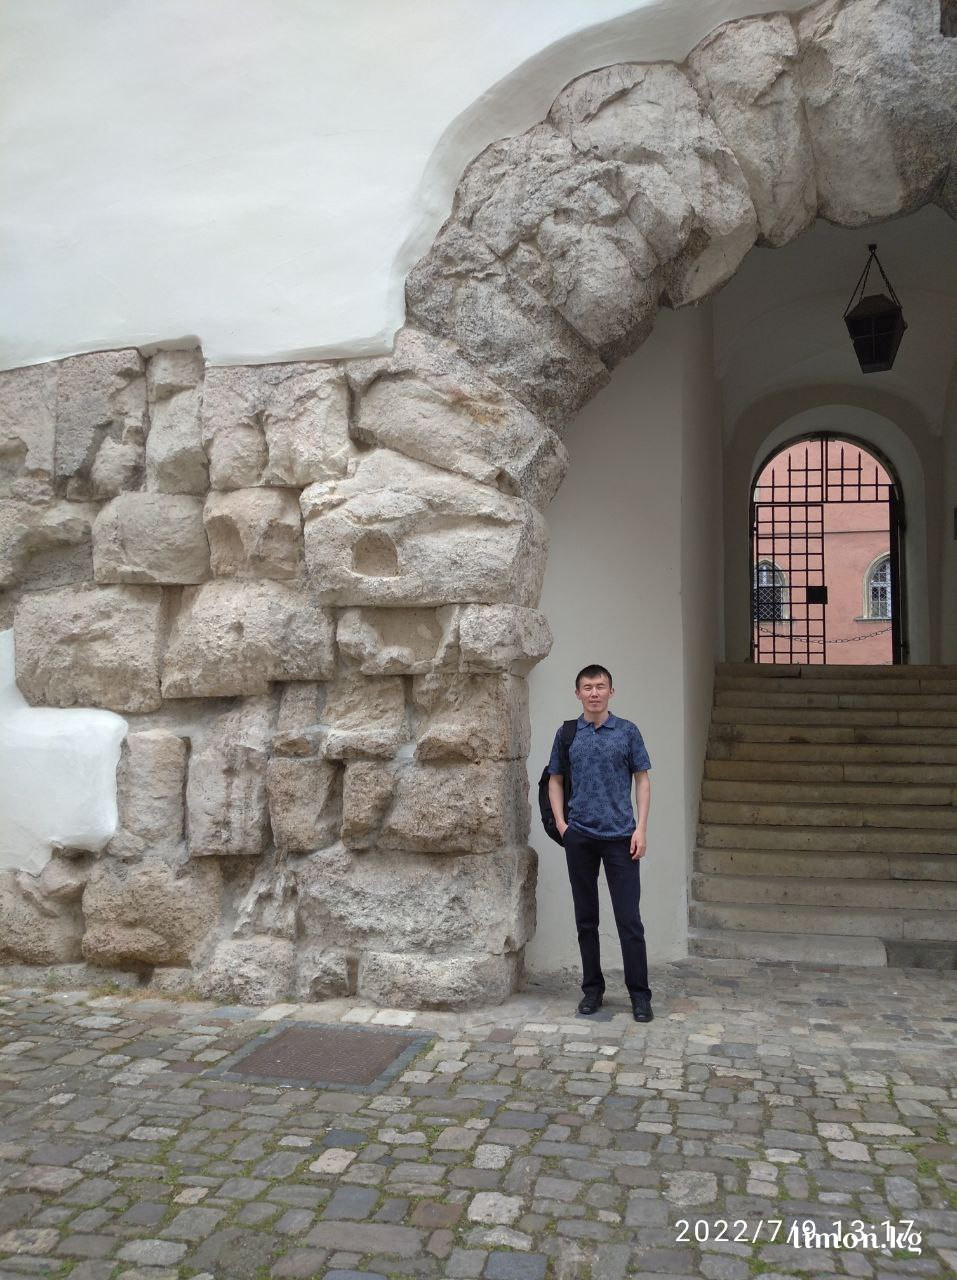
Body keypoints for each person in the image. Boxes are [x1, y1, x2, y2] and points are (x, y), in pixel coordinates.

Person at [547, 664, 653, 1022]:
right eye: (588, 687)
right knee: (586, 919)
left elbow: (642, 780)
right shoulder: (567, 733)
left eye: (601, 686)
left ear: (611, 691)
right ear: (578, 693)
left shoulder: (627, 731)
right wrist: (563, 825)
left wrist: (641, 829)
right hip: (580, 837)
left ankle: (640, 995)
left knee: (629, 920)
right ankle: (592, 990)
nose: (594, 693)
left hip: (621, 838)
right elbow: (555, 779)